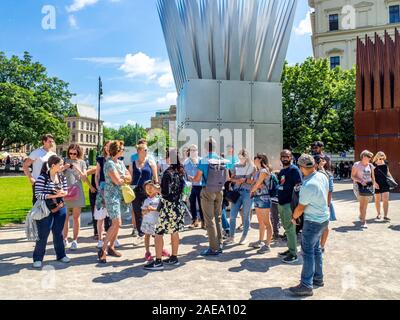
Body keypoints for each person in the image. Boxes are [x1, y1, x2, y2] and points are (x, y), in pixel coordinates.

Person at [289, 154, 329, 297]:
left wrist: (294, 218)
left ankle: (306, 285)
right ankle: (318, 278)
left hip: (313, 222)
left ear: (301, 167)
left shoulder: (308, 185)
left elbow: (300, 207)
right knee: (316, 249)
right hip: (323, 219)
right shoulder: (322, 176)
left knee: (308, 252)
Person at [144, 150, 186, 270]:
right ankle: (174, 257)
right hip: (178, 206)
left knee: (158, 233)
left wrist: (157, 189)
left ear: (169, 158)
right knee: (175, 231)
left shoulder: (168, 173)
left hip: (168, 207)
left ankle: (158, 261)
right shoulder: (180, 171)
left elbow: (165, 193)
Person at [32, 155, 70, 268]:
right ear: (53, 165)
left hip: (60, 206)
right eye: (60, 164)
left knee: (58, 233)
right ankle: (37, 258)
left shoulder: (62, 176)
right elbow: (38, 194)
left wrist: (63, 193)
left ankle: (61, 255)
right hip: (45, 209)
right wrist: (54, 195)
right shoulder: (42, 177)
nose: (62, 166)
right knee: (43, 234)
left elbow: (66, 191)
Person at [193, 138, 228, 256]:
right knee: (218, 218)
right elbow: (227, 178)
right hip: (220, 190)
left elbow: (197, 178)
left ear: (205, 147)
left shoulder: (203, 161)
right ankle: (220, 243)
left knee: (209, 220)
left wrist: (191, 178)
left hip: (207, 190)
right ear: (215, 147)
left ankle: (213, 248)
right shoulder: (221, 160)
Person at [98, 141, 132, 263]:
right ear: (117, 150)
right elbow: (118, 181)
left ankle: (111, 247)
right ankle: (103, 249)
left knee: (118, 223)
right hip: (111, 196)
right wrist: (123, 178)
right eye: (122, 148)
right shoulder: (109, 164)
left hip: (119, 195)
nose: (124, 150)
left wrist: (122, 178)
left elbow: (129, 177)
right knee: (116, 222)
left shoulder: (121, 162)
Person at [63, 144, 96, 250]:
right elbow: (56, 174)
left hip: (77, 191)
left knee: (76, 217)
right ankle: (64, 239)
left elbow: (84, 177)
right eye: (70, 153)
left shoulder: (82, 162)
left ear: (78, 153)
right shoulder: (64, 161)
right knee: (65, 217)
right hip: (65, 191)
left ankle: (75, 240)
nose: (72, 155)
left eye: (74, 153)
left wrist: (77, 169)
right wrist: (63, 167)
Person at [225, 149, 255, 246]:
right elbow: (231, 178)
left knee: (246, 216)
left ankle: (244, 237)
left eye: (242, 157)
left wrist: (245, 180)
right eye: (239, 157)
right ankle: (231, 237)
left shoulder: (252, 166)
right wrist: (236, 180)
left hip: (247, 193)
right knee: (233, 216)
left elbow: (254, 181)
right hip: (237, 192)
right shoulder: (236, 165)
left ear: (247, 157)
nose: (240, 159)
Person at [129, 143, 159, 242]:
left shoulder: (150, 162)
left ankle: (154, 233)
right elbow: (130, 177)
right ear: (139, 151)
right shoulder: (133, 163)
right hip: (136, 190)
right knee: (138, 212)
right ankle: (141, 234)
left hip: (148, 190)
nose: (147, 152)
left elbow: (155, 177)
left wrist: (157, 188)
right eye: (145, 150)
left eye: (147, 150)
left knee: (151, 211)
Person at [277, 150, 302, 264]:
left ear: (291, 157)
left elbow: (299, 186)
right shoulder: (282, 171)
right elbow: (281, 184)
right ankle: (290, 249)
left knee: (291, 229)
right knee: (287, 229)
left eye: (287, 156)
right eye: (283, 156)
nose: (285, 158)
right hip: (281, 203)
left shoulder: (294, 170)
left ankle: (293, 254)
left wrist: (295, 204)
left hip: (289, 204)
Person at [249, 153, 275, 253]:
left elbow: (257, 184)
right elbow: (254, 183)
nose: (254, 159)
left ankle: (267, 245)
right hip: (257, 197)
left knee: (267, 222)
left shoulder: (264, 171)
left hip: (264, 198)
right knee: (261, 222)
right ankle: (260, 241)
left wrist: (252, 189)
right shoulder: (257, 171)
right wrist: (254, 187)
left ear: (260, 159)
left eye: (255, 158)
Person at [141, 181, 171, 261]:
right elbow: (142, 212)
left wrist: (153, 209)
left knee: (159, 236)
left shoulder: (159, 199)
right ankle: (147, 252)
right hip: (148, 221)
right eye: (147, 189)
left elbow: (162, 209)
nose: (149, 190)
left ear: (156, 188)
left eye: (151, 188)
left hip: (157, 221)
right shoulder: (146, 200)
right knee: (147, 236)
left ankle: (161, 250)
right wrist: (145, 211)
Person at [23, 134, 56, 205]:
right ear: (44, 141)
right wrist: (31, 178)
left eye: (52, 142)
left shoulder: (53, 155)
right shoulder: (36, 152)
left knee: (50, 205)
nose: (52, 143)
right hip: (38, 183)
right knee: (37, 205)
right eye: (49, 141)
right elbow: (25, 166)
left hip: (50, 184)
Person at [94, 141, 114, 248]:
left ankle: (113, 239)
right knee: (100, 215)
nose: (108, 148)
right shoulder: (100, 160)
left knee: (114, 215)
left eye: (110, 146)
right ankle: (100, 239)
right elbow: (97, 175)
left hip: (113, 188)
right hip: (102, 187)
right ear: (105, 147)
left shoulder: (117, 159)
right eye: (107, 146)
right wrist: (98, 187)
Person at [351, 150, 378, 229]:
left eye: (370, 157)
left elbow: (373, 176)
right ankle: (363, 221)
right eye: (368, 156)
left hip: (368, 186)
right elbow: (352, 176)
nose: (370, 158)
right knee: (362, 204)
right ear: (363, 156)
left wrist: (374, 183)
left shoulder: (370, 165)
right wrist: (360, 181)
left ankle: (361, 216)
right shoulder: (356, 165)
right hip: (359, 186)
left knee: (365, 204)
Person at [185, 144, 204, 229]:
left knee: (201, 204)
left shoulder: (201, 160)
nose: (193, 151)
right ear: (189, 151)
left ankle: (204, 221)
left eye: (195, 150)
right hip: (189, 186)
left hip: (200, 186)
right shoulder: (185, 162)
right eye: (192, 150)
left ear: (197, 151)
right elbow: (183, 176)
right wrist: (185, 189)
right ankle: (194, 221)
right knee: (192, 203)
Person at [373, 152, 393, 221]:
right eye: (380, 155)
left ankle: (385, 216)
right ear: (377, 156)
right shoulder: (374, 164)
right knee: (377, 200)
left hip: (385, 183)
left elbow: (388, 172)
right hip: (377, 184)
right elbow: (372, 175)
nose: (382, 157)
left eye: (383, 155)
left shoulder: (386, 162)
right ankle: (378, 214)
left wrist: (392, 180)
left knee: (386, 200)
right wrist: (374, 183)